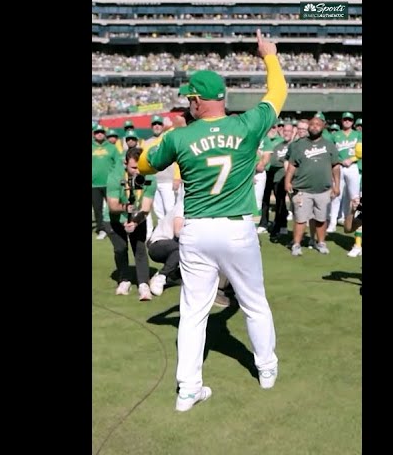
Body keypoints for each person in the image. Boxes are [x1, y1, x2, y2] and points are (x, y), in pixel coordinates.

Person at [138, 29, 287, 412]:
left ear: (199, 101)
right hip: (237, 227)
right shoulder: (248, 124)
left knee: (193, 312)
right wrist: (268, 55)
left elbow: (142, 164)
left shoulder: (180, 137)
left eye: (191, 97)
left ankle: (188, 389)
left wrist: (159, 144)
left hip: (198, 230)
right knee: (255, 302)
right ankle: (266, 369)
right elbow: (278, 93)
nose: (188, 102)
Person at [106, 147, 157, 301]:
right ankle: (124, 280)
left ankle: (143, 284)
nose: (137, 171)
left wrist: (135, 222)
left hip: (137, 217)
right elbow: (113, 205)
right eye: (134, 167)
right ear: (125, 164)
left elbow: (146, 208)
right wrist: (125, 208)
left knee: (140, 249)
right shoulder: (115, 177)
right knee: (120, 249)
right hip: (114, 219)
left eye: (140, 167)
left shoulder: (150, 177)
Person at [284, 116, 341, 256]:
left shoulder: (329, 145)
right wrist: (287, 181)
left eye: (318, 124)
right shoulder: (299, 145)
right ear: (308, 127)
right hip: (303, 189)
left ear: (323, 127)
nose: (315, 126)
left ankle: (320, 242)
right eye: (312, 124)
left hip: (323, 189)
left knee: (321, 219)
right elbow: (292, 165)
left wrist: (337, 185)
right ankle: (296, 244)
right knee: (300, 218)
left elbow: (335, 166)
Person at [92, 126, 121, 240]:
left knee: (113, 207)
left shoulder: (112, 148)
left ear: (104, 134)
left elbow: (118, 163)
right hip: (94, 184)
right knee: (97, 208)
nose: (99, 134)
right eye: (97, 132)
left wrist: (115, 177)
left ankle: (115, 227)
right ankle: (102, 229)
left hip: (110, 183)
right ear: (94, 134)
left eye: (101, 132)